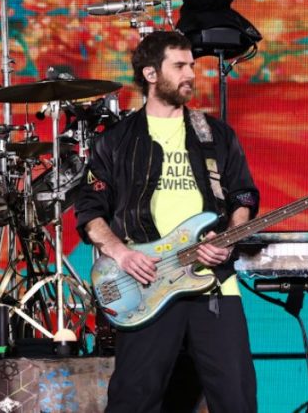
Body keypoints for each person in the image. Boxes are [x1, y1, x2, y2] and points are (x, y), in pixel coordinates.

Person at [74, 30, 259, 413]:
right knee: (133, 400)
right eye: (179, 66)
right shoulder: (117, 141)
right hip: (147, 285)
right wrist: (122, 254)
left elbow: (243, 196)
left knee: (237, 400)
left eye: (191, 65)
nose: (190, 73)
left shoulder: (215, 135)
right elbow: (90, 210)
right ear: (151, 74)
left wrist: (226, 238)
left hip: (214, 285)